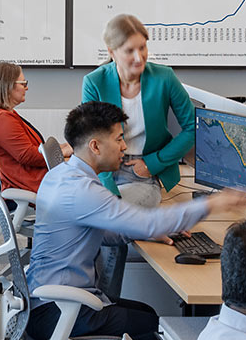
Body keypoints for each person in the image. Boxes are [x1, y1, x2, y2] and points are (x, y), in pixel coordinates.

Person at [28, 101, 246, 340]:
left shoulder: (63, 174)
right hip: (58, 309)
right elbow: (147, 221)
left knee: (146, 313)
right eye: (118, 139)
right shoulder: (82, 190)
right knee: (151, 327)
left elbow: (99, 231)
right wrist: (211, 203)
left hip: (48, 301)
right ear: (95, 146)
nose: (124, 147)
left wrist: (141, 232)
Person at [80, 14, 196, 208]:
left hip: (142, 171)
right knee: (92, 208)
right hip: (103, 170)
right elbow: (90, 139)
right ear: (112, 52)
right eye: (129, 51)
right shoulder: (94, 82)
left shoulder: (164, 77)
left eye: (142, 47)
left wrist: (153, 163)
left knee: (110, 212)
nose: (138, 57)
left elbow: (193, 127)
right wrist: (108, 189)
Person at [0, 62, 60, 194]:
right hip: (30, 184)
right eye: (23, 84)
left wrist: (61, 150)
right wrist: (60, 153)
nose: (26, 88)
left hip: (28, 179)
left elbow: (28, 150)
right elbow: (28, 156)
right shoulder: (2, 119)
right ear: (8, 86)